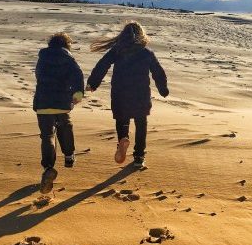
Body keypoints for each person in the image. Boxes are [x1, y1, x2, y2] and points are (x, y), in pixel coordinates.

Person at [86, 21, 168, 169]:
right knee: (141, 123)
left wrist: (93, 83)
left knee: (122, 119)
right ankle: (139, 157)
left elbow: (102, 65)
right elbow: (158, 72)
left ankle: (123, 138)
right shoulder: (146, 52)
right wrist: (163, 89)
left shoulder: (117, 50)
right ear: (141, 35)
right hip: (140, 94)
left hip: (120, 92)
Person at [33, 32, 84, 193]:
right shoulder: (68, 58)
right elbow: (78, 75)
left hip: (43, 102)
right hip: (61, 101)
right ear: (67, 45)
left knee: (47, 135)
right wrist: (77, 94)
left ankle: (48, 167)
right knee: (65, 126)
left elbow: (39, 76)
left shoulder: (43, 57)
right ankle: (69, 156)